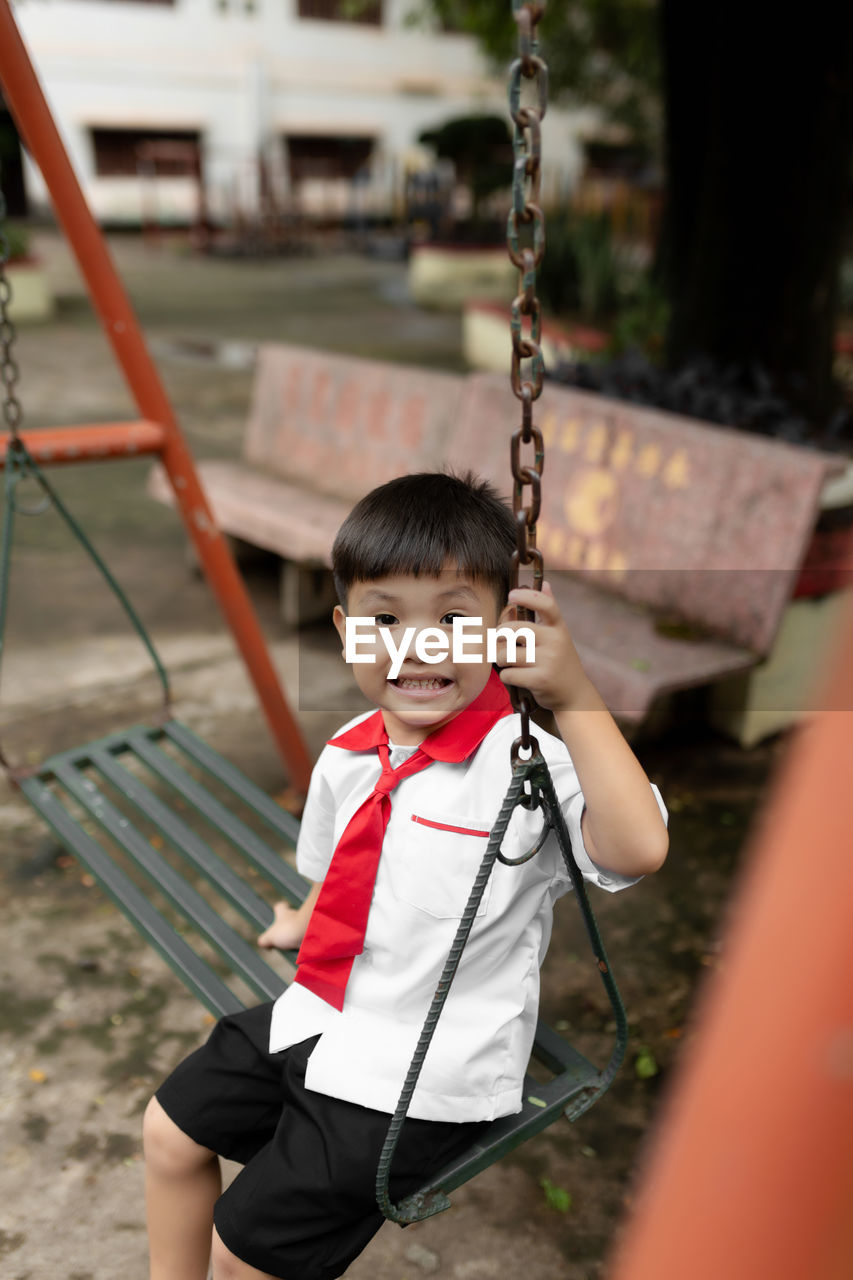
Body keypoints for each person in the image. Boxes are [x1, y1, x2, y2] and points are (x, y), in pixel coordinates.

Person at [143, 471, 668, 1280]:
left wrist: (573, 694)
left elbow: (635, 849)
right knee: (167, 1131)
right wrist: (302, 917)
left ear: (504, 634)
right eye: (383, 619)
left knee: (243, 1253)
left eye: (455, 619)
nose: (417, 646)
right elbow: (340, 864)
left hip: (425, 1076)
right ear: (346, 629)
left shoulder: (523, 768)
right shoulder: (352, 750)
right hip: (325, 1010)